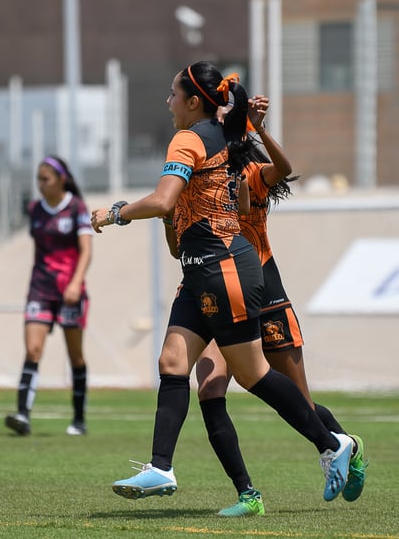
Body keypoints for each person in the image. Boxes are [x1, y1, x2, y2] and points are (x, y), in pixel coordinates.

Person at [90, 61, 353, 511]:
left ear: (194, 102)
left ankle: (331, 443)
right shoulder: (213, 134)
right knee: (172, 360)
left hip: (225, 266)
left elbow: (163, 199)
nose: (168, 102)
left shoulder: (190, 137)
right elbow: (178, 218)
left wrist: (114, 214)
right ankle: (161, 468)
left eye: (173, 94)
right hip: (199, 270)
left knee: (253, 375)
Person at [193, 97, 368, 516]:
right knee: (209, 387)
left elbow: (284, 171)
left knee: (300, 404)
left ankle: (346, 448)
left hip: (264, 291)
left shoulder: (249, 173)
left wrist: (258, 130)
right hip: (220, 291)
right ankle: (247, 494)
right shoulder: (199, 176)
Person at [5, 156, 92, 436]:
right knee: (32, 350)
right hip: (40, 289)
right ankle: (22, 415)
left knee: (75, 356)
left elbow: (86, 250)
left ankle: (78, 419)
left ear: (61, 179)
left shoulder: (76, 208)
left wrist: (76, 282)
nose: (41, 185)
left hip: (70, 291)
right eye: (38, 180)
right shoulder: (35, 209)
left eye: (46, 179)